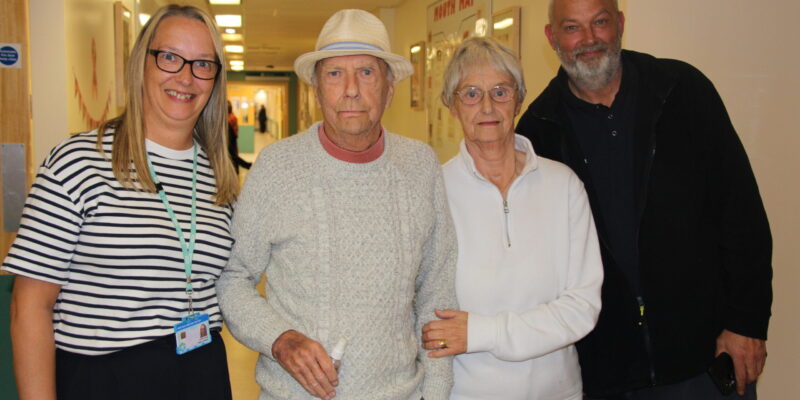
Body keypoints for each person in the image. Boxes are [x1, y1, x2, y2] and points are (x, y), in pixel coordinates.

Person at [515, 0, 773, 399]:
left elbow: (741, 213)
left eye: (599, 22)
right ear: (552, 37)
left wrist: (747, 323)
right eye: (572, 27)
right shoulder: (538, 133)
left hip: (707, 360)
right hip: (608, 371)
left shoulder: (681, 91)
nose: (588, 39)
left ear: (619, 23)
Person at [216, 9, 458, 400]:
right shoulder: (277, 168)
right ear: (316, 88)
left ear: (389, 87)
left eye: (366, 72)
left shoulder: (420, 166)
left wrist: (437, 390)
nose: (350, 89)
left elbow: (438, 291)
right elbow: (233, 279)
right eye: (334, 74)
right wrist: (279, 339)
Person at [3, 5, 238, 400]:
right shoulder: (78, 163)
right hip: (106, 378)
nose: (186, 76)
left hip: (200, 372)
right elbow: (30, 306)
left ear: (215, 79)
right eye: (169, 58)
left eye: (202, 64)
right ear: (141, 64)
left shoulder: (221, 178)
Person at [420, 37, 603, 400]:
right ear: (451, 105)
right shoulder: (431, 193)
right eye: (470, 93)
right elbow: (423, 313)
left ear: (519, 99)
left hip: (558, 392)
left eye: (500, 92)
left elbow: (582, 306)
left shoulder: (563, 186)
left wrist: (481, 332)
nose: (487, 106)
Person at [227, 100, 252, 173]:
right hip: (232, 138)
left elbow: (232, 130)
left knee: (233, 156)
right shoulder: (232, 116)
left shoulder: (230, 118)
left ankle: (247, 165)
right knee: (233, 155)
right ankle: (246, 166)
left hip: (230, 139)